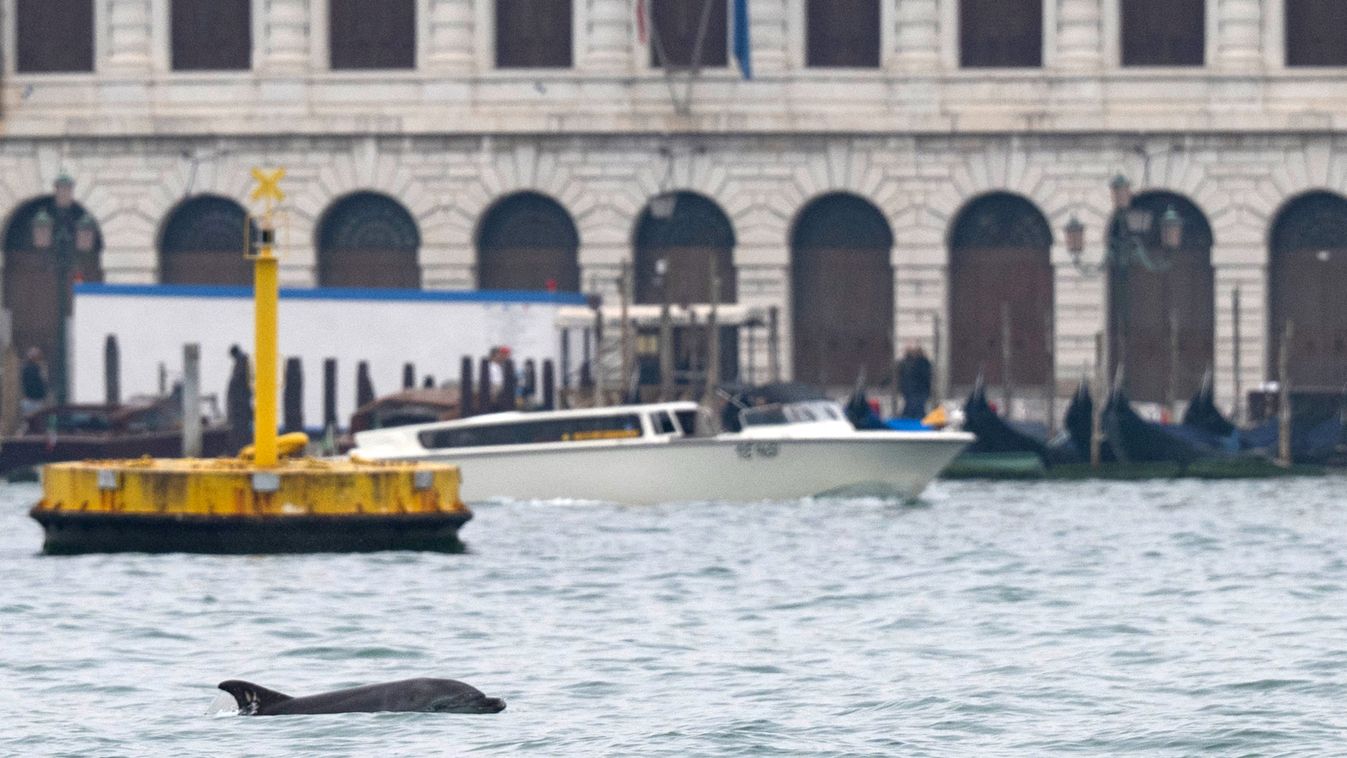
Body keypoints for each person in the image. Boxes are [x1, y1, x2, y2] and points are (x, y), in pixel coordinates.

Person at [897, 343, 932, 419]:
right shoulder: (910, 363)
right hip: (916, 390)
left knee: (913, 407)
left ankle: (908, 420)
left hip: (915, 390)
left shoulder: (914, 363)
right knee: (916, 408)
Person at [20, 347, 48, 416]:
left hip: (33, 399)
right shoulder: (35, 368)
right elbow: (42, 382)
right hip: (33, 400)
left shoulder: (26, 368)